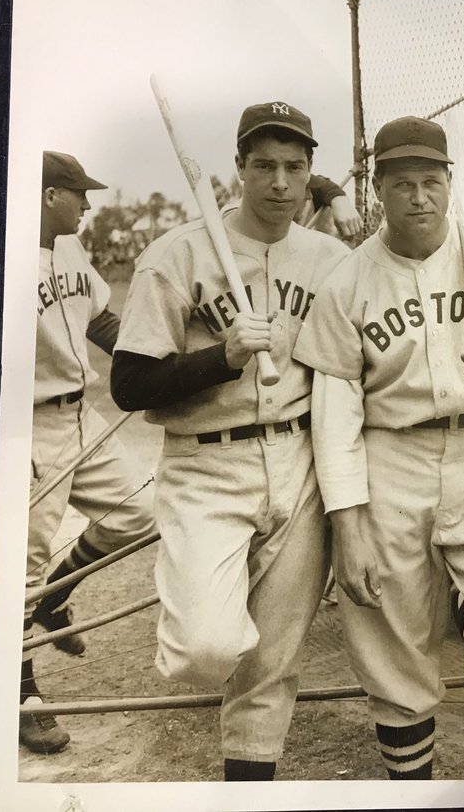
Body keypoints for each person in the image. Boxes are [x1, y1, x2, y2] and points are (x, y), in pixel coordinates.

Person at [293, 116, 464, 780]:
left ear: (449, 184)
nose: (418, 197)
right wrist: (347, 521)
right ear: (378, 190)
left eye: (431, 182)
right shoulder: (349, 281)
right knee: (392, 643)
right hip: (391, 459)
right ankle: (410, 790)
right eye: (402, 183)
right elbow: (334, 414)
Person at [110, 101, 350, 780]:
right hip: (207, 464)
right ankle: (210, 622)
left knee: (272, 663)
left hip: (299, 459)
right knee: (207, 650)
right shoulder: (176, 254)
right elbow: (129, 382)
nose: (279, 181)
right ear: (237, 170)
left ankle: (249, 788)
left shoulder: (331, 260)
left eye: (294, 167)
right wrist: (221, 357)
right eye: (264, 165)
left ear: (309, 175)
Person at [23, 151, 156, 755]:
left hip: (81, 413)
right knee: (16, 568)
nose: (88, 203)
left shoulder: (71, 249)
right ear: (49, 194)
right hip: (27, 426)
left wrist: (152, 355)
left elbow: (99, 319)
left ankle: (53, 604)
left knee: (138, 512)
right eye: (78, 193)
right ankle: (23, 696)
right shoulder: (0, 253)